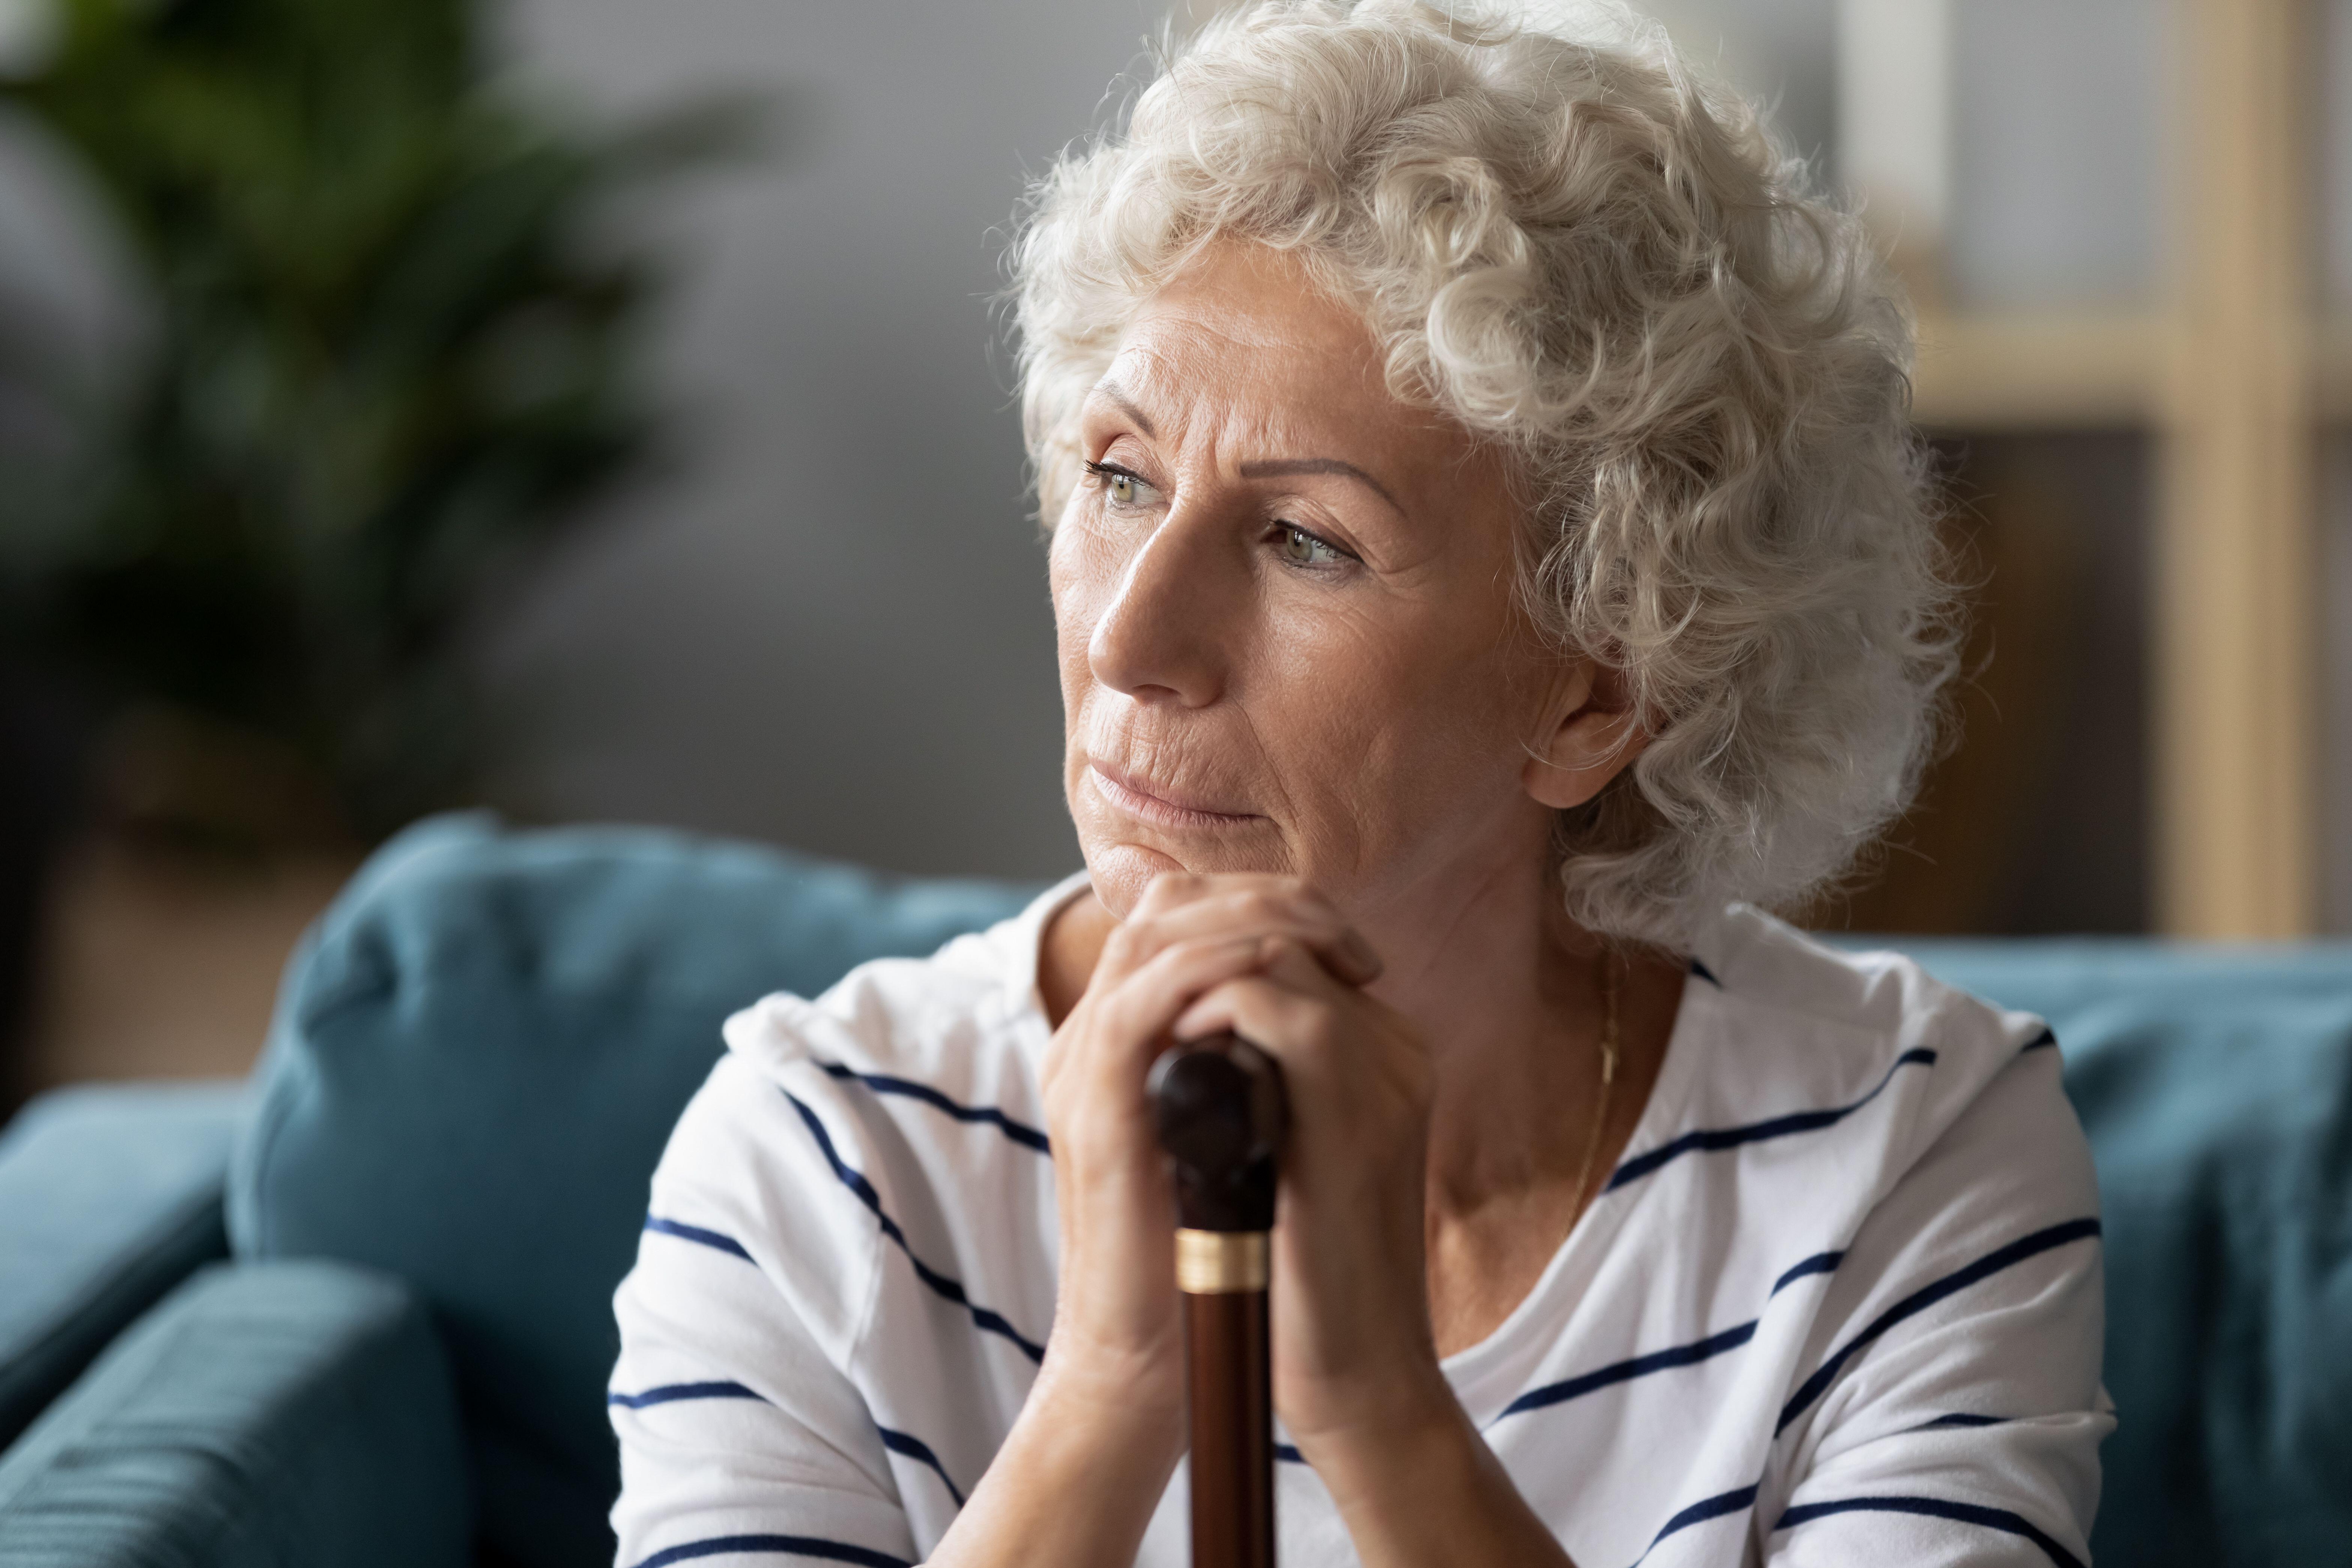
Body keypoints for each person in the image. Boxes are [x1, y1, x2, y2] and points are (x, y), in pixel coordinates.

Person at [607, 5, 2109, 1565]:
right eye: (1121, 477)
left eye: (1304, 540)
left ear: (1598, 692)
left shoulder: (1898, 1157)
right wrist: (1120, 1376)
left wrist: (1375, 1402)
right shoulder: (825, 1156)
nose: (1130, 640)